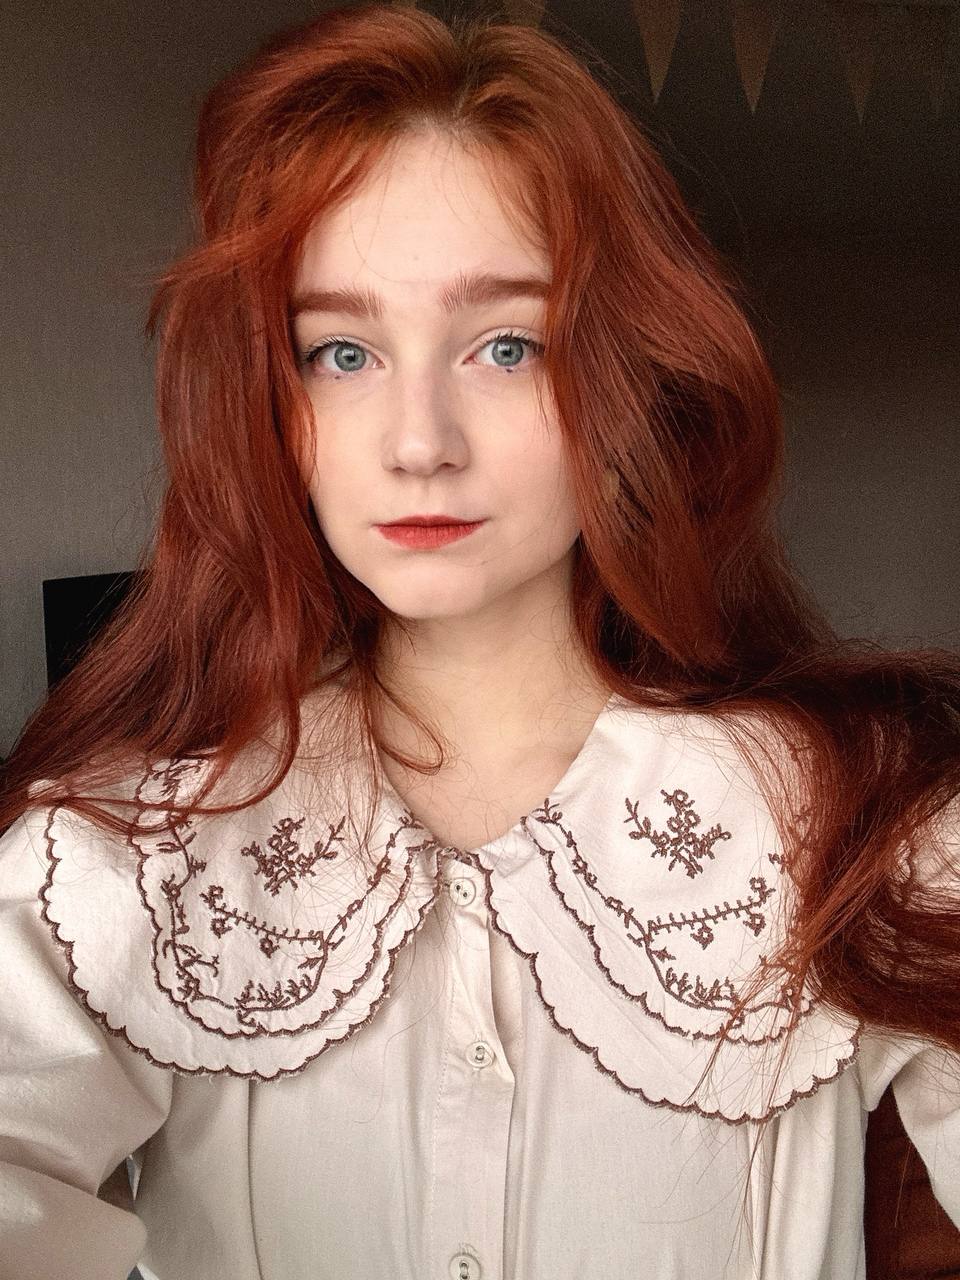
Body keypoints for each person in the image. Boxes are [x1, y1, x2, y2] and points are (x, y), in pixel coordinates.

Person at [0, 5, 958, 1279]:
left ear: (626, 375)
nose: (418, 440)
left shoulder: (856, 820)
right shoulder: (125, 856)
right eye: (341, 352)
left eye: (507, 345)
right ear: (270, 402)